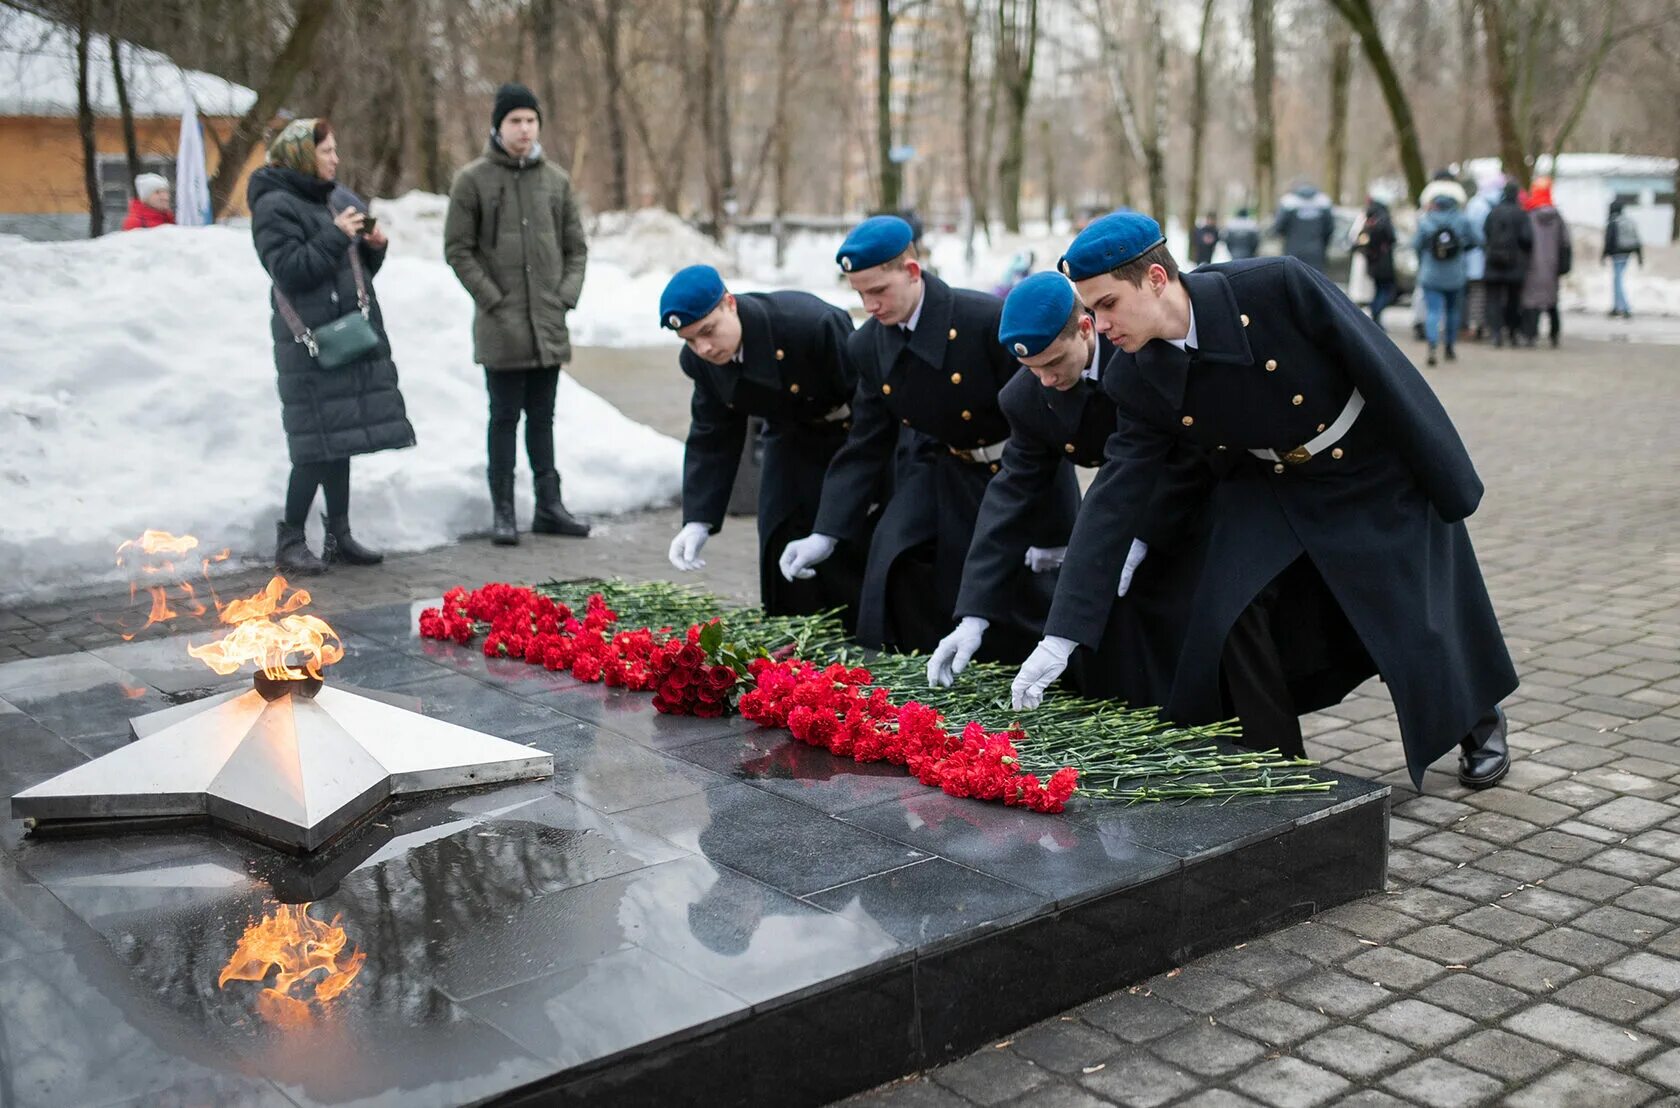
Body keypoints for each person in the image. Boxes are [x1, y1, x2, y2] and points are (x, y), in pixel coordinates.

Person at [1012, 211, 1515, 791]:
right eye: (1091, 311)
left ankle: (1478, 719)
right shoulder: (1135, 373)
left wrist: (1444, 477)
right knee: (1231, 606)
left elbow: (1379, 364)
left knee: (1411, 609)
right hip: (1269, 482)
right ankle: (1274, 760)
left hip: (1362, 463)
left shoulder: (1275, 285)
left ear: (1154, 278)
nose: (1098, 325)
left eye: (1106, 305)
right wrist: (1063, 631)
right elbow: (1115, 493)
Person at [778, 215, 1079, 656]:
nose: (870, 304)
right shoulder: (867, 345)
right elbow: (866, 442)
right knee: (891, 554)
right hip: (944, 468)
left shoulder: (984, 320)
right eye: (859, 293)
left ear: (912, 271)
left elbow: (1044, 426)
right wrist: (826, 532)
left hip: (1014, 471)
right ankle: (903, 660)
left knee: (1017, 589)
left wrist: (1056, 527)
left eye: (878, 290)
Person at [925, 271, 1209, 706]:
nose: (1046, 380)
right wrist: (974, 615)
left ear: (1086, 328)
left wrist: (1143, 533)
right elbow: (1011, 496)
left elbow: (1188, 450)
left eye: (1055, 363)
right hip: (1123, 510)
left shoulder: (1138, 351)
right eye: (1032, 369)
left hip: (1192, 499)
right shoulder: (1024, 398)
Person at [249, 118, 416, 573]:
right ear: (303, 154)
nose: (335, 159)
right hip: (309, 345)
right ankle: (290, 540)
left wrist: (372, 249)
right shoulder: (273, 206)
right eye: (326, 151)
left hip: (346, 334)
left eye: (335, 150)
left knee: (339, 439)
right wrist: (335, 235)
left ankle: (339, 537)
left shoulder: (337, 199)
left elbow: (348, 273)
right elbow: (290, 270)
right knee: (314, 446)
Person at [659, 264, 868, 626]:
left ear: (729, 303)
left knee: (848, 533)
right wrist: (699, 519)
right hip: (789, 435)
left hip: (851, 434)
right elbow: (712, 434)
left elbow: (868, 402)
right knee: (778, 531)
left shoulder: (810, 323)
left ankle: (859, 633)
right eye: (690, 340)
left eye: (708, 331)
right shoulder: (700, 359)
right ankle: (794, 631)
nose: (703, 348)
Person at [444, 82, 590, 546]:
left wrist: (563, 297)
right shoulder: (473, 180)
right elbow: (458, 249)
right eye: (515, 121)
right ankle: (503, 511)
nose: (524, 129)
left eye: (531, 120)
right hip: (501, 326)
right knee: (504, 418)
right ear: (498, 125)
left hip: (547, 322)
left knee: (543, 418)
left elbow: (576, 248)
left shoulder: (556, 180)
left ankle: (550, 506)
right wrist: (492, 298)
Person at [1413, 185, 1478, 366]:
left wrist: (1423, 258)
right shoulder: (1462, 220)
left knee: (1433, 311)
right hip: (1455, 274)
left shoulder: (1425, 221)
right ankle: (1449, 346)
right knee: (1452, 312)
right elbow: (1477, 240)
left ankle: (1432, 345)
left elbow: (1415, 244)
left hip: (1430, 273)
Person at [1481, 181, 1532, 347]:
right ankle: (1512, 332)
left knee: (1493, 299)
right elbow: (1528, 239)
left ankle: (1496, 333)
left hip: (1493, 263)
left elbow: (1486, 233)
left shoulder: (1493, 212)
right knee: (1513, 300)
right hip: (1515, 265)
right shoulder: (1521, 214)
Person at [1519, 177, 1569, 347]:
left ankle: (1530, 335)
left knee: (1531, 300)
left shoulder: (1529, 216)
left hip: (1533, 265)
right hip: (1552, 265)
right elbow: (1565, 243)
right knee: (1551, 301)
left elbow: (1523, 241)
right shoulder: (1558, 217)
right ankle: (1554, 334)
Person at [1463, 170, 1504, 341]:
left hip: (1475, 258)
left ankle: (1475, 325)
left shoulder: (1475, 204)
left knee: (1476, 294)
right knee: (1487, 295)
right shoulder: (1495, 205)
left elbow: (1470, 231)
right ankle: (1483, 325)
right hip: (1491, 258)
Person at [1269, 183, 1334, 272]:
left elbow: (1279, 227)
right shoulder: (1323, 203)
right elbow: (1329, 228)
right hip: (1316, 251)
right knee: (1315, 279)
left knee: (1292, 277)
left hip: (1293, 250)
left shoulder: (1288, 203)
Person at [1354, 198, 1397, 328]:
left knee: (1379, 290)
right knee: (1385, 291)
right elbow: (1392, 238)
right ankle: (1375, 313)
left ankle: (1375, 316)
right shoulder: (1384, 222)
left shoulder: (1368, 224)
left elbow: (1359, 244)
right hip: (1384, 263)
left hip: (1372, 263)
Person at [1603, 199, 1643, 319]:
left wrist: (1604, 255)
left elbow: (1608, 241)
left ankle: (1624, 308)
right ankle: (1617, 307)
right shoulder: (1627, 221)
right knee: (1617, 280)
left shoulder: (1613, 222)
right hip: (1627, 254)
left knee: (1618, 281)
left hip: (1617, 255)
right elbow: (1637, 239)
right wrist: (1640, 256)